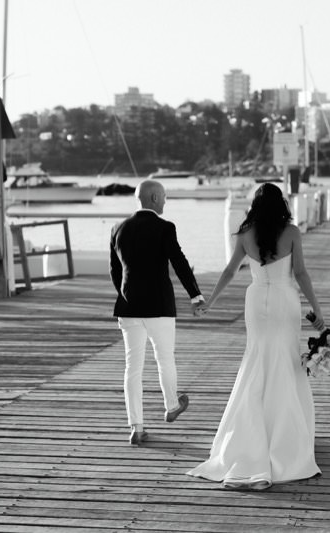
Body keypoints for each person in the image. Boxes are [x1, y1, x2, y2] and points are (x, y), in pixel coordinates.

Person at [187, 182, 324, 490]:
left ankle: (249, 438)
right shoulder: (291, 233)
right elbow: (300, 274)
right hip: (283, 302)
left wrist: (210, 300)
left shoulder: (244, 234)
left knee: (257, 361)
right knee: (284, 362)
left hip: (256, 300)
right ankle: (283, 438)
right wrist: (318, 311)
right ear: (282, 205)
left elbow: (229, 271)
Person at [110, 180, 206, 445]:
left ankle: (137, 427)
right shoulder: (165, 228)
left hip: (128, 308)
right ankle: (172, 405)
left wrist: (126, 295)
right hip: (160, 307)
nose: (165, 201)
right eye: (164, 197)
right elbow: (179, 262)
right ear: (153, 198)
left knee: (133, 368)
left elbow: (115, 272)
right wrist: (195, 295)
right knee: (165, 358)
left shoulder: (118, 229)